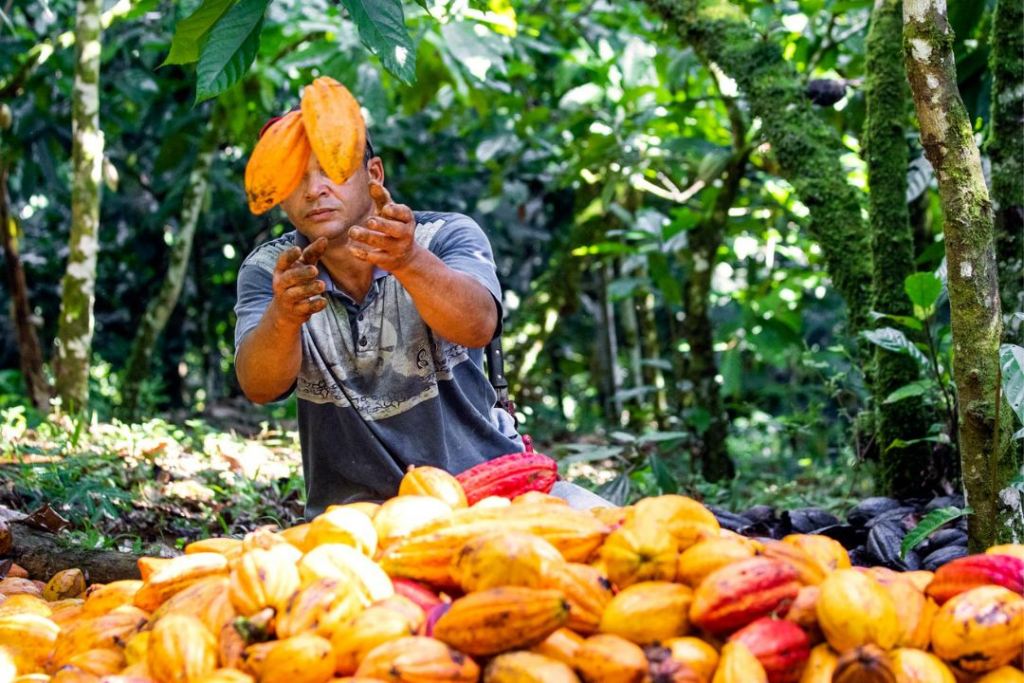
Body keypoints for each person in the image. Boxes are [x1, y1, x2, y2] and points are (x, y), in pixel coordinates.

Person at [234, 116, 610, 518]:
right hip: (359, 519)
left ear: (373, 174)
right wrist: (284, 317)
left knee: (622, 531)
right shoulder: (271, 270)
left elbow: (478, 325)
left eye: (332, 169)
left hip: (497, 491)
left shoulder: (445, 235)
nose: (315, 190)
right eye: (294, 177)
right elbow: (259, 386)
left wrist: (409, 261)